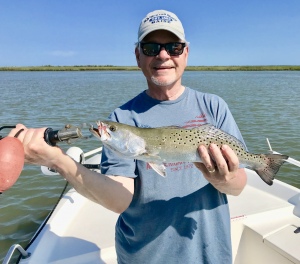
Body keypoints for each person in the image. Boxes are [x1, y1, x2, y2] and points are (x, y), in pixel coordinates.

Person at [10, 10, 247, 264]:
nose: (163, 55)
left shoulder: (214, 106)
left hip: (209, 253)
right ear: (138, 56)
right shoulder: (122, 118)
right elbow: (120, 199)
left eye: (173, 47)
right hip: (144, 256)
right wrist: (59, 161)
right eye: (151, 47)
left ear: (185, 54)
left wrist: (225, 178)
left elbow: (239, 185)